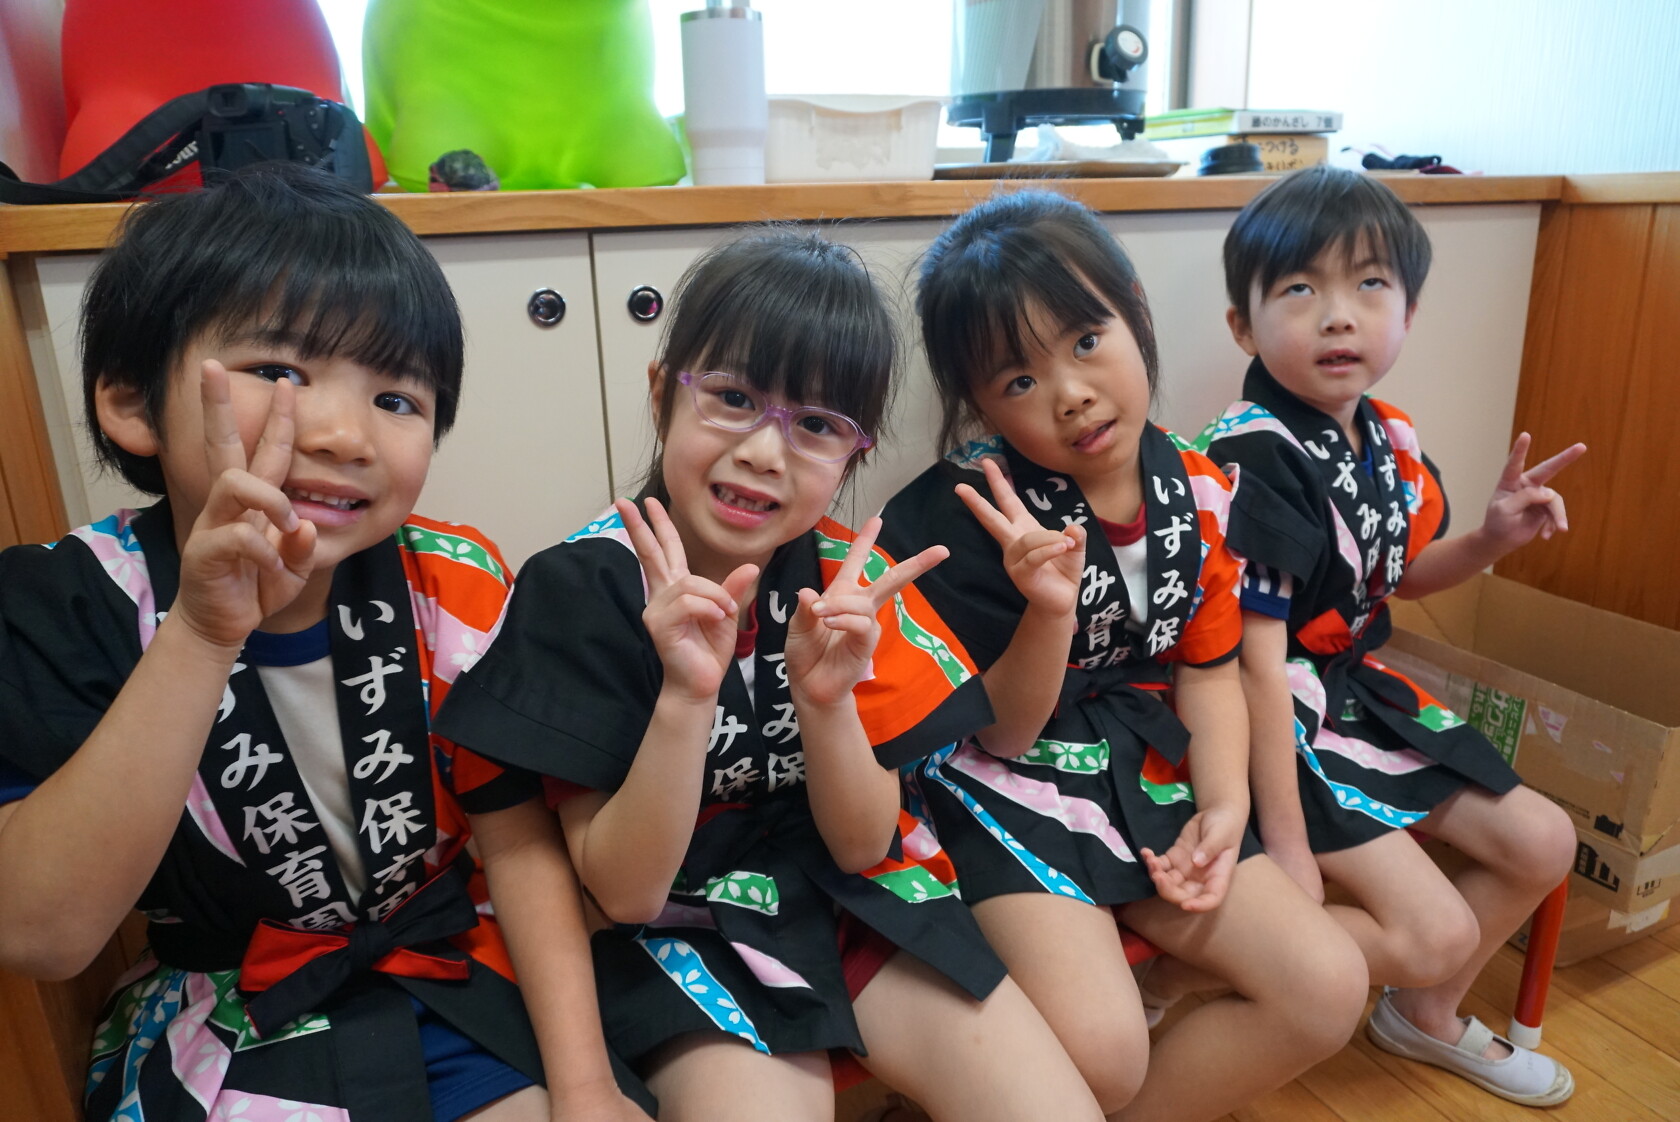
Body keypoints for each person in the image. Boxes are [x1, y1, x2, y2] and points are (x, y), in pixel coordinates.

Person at [0, 163, 645, 1121]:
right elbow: (43, 934)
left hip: (453, 975)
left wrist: (586, 1089)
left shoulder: (453, 584)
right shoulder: (69, 601)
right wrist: (203, 634)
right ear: (132, 401)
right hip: (226, 1015)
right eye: (279, 372)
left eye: (397, 398)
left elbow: (518, 847)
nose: (347, 434)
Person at [434, 229, 1105, 1122]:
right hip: (678, 927)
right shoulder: (581, 588)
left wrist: (827, 705)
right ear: (662, 394)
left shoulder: (844, 580)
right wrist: (685, 698)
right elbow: (625, 891)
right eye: (733, 399)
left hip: (847, 897)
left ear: (853, 456)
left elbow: (864, 845)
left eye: (817, 426)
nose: (763, 451)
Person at [875, 190, 1369, 1122]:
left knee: (1328, 985)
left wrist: (1225, 806)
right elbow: (1004, 733)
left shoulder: (1201, 487)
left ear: (1134, 312)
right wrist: (1047, 612)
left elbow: (1210, 670)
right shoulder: (959, 514)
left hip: (1144, 766)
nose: (1070, 393)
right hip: (1003, 787)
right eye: (1019, 381)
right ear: (978, 405)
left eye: (1087, 340)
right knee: (1105, 1055)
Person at [1201, 165, 1584, 1107]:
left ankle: (1424, 1014)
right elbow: (1253, 670)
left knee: (1546, 841)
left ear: (1409, 311)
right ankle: (1196, 977)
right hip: (1277, 719)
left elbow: (1404, 573)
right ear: (1245, 326)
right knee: (1434, 930)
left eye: (1370, 284)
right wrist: (1286, 845)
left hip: (1357, 692)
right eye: (1301, 289)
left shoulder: (1387, 436)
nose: (1340, 316)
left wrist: (1489, 540)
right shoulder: (1253, 452)